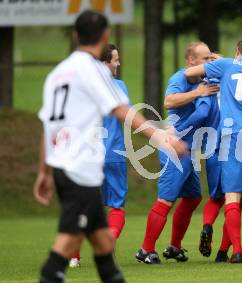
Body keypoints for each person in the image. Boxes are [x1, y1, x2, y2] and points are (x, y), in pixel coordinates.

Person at [34, 10, 186, 283]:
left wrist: (44, 172)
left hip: (65, 166)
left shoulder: (57, 75)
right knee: (68, 241)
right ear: (105, 37)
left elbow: (49, 127)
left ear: (75, 36)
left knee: (103, 242)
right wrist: (163, 138)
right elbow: (124, 113)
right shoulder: (94, 72)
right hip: (83, 169)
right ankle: (51, 273)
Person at [185, 35, 242, 263]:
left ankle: (238, 251)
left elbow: (189, 74)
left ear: (237, 50)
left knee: (231, 195)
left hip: (232, 136)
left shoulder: (225, 66)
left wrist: (212, 63)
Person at [135, 42, 219, 264]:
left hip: (188, 150)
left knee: (192, 198)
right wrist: (197, 93)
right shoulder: (180, 79)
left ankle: (174, 247)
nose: (208, 63)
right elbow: (168, 101)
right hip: (174, 146)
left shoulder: (203, 79)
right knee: (165, 200)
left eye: (210, 58)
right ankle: (146, 250)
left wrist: (215, 60)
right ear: (191, 62)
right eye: (204, 59)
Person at [69, 44, 131, 268]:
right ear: (105, 63)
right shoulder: (119, 86)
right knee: (116, 206)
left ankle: (74, 256)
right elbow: (127, 117)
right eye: (115, 59)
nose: (118, 63)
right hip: (113, 153)